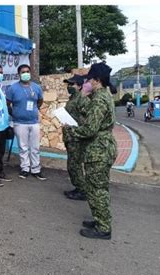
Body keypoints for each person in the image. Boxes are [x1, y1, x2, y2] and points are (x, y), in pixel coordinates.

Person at [65, 62, 117, 240]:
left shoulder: (100, 99)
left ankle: (103, 228)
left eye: (89, 79)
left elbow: (90, 129)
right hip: (99, 149)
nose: (87, 81)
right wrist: (83, 95)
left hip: (99, 151)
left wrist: (71, 131)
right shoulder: (101, 96)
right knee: (97, 187)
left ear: (97, 80)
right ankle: (100, 220)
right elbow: (89, 114)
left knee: (97, 189)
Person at [6, 64, 47, 180]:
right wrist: (13, 113)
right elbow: (7, 103)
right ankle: (25, 168)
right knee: (23, 147)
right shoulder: (13, 88)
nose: (26, 74)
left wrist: (35, 109)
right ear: (19, 74)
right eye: (23, 72)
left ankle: (36, 169)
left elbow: (40, 101)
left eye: (27, 71)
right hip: (19, 122)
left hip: (34, 121)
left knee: (35, 147)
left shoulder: (36, 87)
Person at [62, 74, 87, 200]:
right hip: (70, 137)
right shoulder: (73, 98)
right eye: (69, 84)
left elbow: (85, 119)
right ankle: (78, 187)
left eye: (72, 84)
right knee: (72, 164)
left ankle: (82, 191)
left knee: (75, 165)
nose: (69, 86)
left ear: (80, 86)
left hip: (76, 138)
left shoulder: (82, 99)